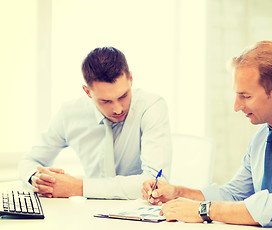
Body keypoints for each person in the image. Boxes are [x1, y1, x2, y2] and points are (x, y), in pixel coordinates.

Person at [142, 41, 272, 227]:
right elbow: (234, 195)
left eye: (246, 96)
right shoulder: (262, 137)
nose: (236, 106)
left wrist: (204, 210)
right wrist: (177, 193)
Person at [19, 46, 171, 199]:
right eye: (105, 101)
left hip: (141, 214)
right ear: (87, 92)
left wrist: (78, 187)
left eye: (123, 96)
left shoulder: (152, 107)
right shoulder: (70, 113)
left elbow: (157, 182)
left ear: (130, 79)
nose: (118, 109)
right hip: (89, 213)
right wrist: (35, 177)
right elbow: (30, 161)